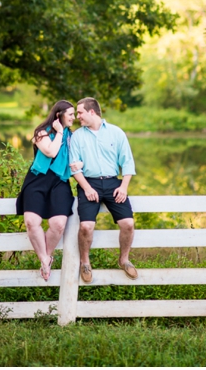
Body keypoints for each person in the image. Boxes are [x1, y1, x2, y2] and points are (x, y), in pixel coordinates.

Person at [68, 96, 138, 283]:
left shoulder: (116, 133)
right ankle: (85, 262)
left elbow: (128, 163)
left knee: (128, 224)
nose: (77, 117)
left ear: (92, 112)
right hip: (88, 183)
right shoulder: (77, 136)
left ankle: (123, 259)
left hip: (113, 184)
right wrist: (87, 188)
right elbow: (74, 168)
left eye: (80, 112)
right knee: (86, 226)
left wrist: (123, 187)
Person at [15, 99, 76, 282]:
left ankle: (45, 257)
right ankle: (45, 259)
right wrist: (58, 132)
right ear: (59, 115)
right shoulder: (41, 133)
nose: (74, 117)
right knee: (32, 222)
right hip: (37, 180)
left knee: (58, 224)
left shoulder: (72, 137)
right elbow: (50, 152)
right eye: (71, 114)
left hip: (59, 182)